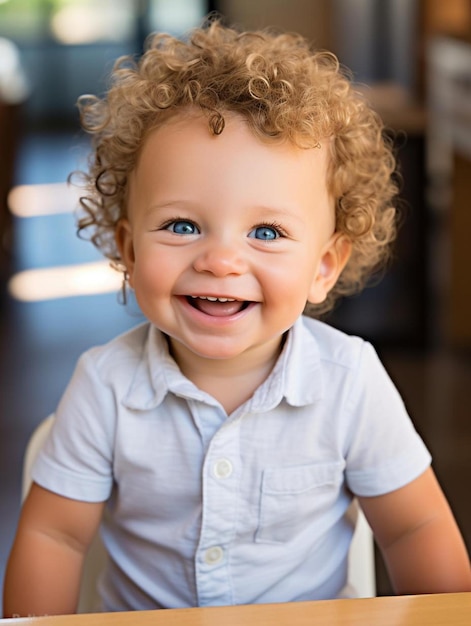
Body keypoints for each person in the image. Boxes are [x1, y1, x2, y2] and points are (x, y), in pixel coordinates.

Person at [4, 18, 471, 617]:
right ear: (127, 248)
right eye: (182, 225)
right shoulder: (105, 386)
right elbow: (55, 536)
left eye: (267, 232)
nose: (221, 260)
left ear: (324, 266)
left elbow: (414, 529)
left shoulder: (349, 382)